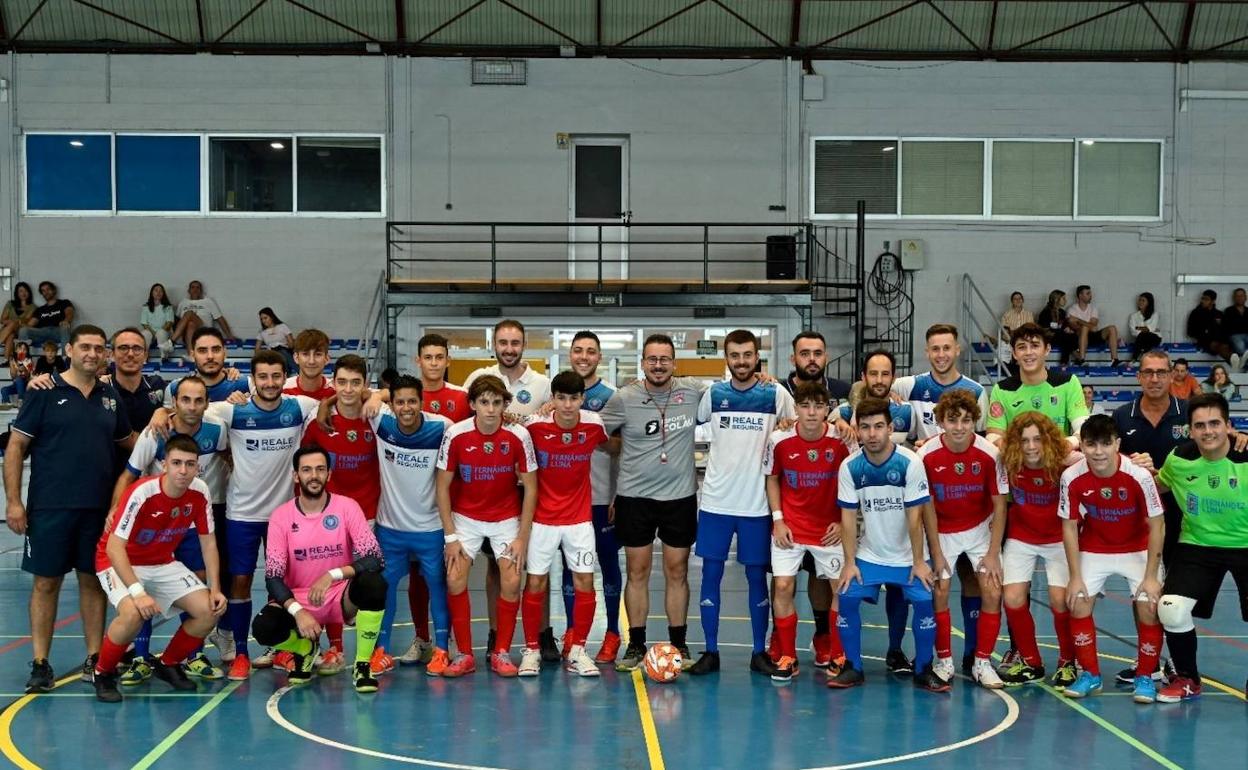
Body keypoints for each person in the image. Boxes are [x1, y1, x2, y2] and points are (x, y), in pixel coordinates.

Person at [4, 324, 135, 693]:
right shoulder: (44, 391)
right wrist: (14, 501)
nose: (92, 354)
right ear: (70, 350)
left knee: (93, 583)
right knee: (46, 583)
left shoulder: (109, 396)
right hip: (50, 507)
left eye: (98, 348)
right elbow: (15, 448)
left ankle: (94, 659)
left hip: (97, 509)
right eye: (85, 347)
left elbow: (129, 442)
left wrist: (171, 437)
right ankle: (41, 663)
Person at [195, 350, 319, 679]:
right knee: (241, 581)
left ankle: (286, 647)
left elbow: (343, 397)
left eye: (276, 376)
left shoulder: (299, 407)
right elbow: (185, 408)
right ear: (253, 380)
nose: (269, 383)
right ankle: (240, 652)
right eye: (262, 377)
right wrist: (159, 416)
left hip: (284, 517)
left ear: (285, 378)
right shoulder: (231, 410)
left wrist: (375, 395)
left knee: (288, 584)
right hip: (242, 515)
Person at [688, 330, 795, 677]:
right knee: (711, 576)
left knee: (756, 580)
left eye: (747, 355)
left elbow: (796, 428)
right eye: (735, 356)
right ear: (726, 358)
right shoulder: (713, 395)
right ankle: (710, 651)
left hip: (757, 505)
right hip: (716, 502)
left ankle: (758, 651)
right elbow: (688, 429)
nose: (742, 362)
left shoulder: (775, 393)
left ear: (757, 355)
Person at [110, 374, 229, 684]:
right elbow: (129, 474)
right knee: (145, 585)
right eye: (185, 399)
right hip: (158, 520)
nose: (191, 406)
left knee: (199, 586)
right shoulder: (156, 431)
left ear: (207, 403)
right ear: (174, 402)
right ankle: (141, 656)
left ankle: (193, 653)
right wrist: (115, 509)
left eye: (198, 400)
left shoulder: (217, 430)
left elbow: (232, 459)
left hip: (195, 519)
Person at [90, 435, 226, 702]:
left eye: (190, 464)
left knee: (210, 610)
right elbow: (114, 547)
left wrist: (216, 588)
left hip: (162, 561)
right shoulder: (142, 492)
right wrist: (137, 591)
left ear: (198, 466)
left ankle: (170, 664)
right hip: (118, 561)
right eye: (176, 463)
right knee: (132, 614)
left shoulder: (200, 491)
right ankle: (103, 673)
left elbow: (208, 543)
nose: (183, 471)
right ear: (164, 465)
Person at [600, 334, 705, 672]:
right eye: (652, 359)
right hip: (635, 497)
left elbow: (734, 387)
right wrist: (625, 452)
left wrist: (764, 376)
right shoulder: (624, 397)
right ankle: (636, 644)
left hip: (679, 497)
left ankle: (678, 641)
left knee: (677, 571)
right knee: (638, 571)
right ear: (642, 362)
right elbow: (598, 434)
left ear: (674, 362)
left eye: (664, 359)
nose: (658, 365)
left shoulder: (693, 392)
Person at [828, 397, 945, 692]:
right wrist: (850, 563)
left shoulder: (910, 463)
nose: (872, 434)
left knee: (923, 601)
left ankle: (923, 668)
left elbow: (916, 517)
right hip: (870, 554)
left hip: (908, 556)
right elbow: (847, 517)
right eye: (865, 427)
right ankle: (854, 666)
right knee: (847, 596)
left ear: (890, 427)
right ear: (858, 429)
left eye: (879, 426)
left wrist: (920, 562)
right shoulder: (850, 467)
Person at [251, 445, 387, 694]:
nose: (313, 475)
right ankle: (305, 649)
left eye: (320, 469)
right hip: (299, 598)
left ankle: (363, 665)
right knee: (263, 628)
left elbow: (375, 558)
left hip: (338, 595)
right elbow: (273, 576)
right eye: (307, 470)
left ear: (329, 474)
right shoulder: (281, 517)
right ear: (296, 476)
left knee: (374, 584)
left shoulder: (347, 507)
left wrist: (333, 574)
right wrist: (298, 611)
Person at [435, 374, 538, 677]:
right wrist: (450, 536)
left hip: (506, 518)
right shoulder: (456, 434)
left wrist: (522, 537)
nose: (491, 409)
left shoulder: (519, 435)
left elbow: (531, 488)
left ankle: (501, 652)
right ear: (472, 405)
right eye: (484, 402)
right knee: (454, 578)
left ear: (505, 404)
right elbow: (442, 486)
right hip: (465, 518)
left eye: (496, 402)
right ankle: (465, 654)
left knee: (511, 579)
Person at [1058, 415, 1165, 702]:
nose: (1098, 451)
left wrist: (1152, 577)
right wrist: (1075, 576)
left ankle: (1145, 676)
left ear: (1117, 444)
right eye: (1091, 444)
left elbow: (1157, 524)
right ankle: (1090, 674)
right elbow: (1069, 526)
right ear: (1081, 445)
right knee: (1078, 603)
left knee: (1149, 607)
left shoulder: (1139, 475)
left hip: (1137, 548)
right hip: (1095, 547)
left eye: (1106, 444)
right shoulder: (1071, 477)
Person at [1153, 393, 1248, 702]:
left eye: (1215, 423)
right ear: (1190, 430)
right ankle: (1187, 678)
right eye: (1200, 425)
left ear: (1229, 426)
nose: (1208, 431)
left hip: (1245, 544)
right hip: (1197, 544)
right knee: (1170, 608)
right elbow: (1161, 484)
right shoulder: (1179, 458)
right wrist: (1136, 468)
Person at [519, 371, 609, 677]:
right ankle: (531, 650)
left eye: (574, 398)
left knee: (585, 582)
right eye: (561, 398)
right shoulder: (535, 426)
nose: (568, 405)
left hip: (580, 521)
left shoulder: (594, 425)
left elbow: (612, 446)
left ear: (582, 399)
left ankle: (579, 650)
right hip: (542, 521)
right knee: (535, 584)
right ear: (552, 399)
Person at [917, 390, 1008, 690]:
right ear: (941, 421)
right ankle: (944, 661)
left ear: (975, 422)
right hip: (942, 531)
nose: (959, 427)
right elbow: (925, 506)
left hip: (980, 528)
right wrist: (936, 550)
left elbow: (999, 505)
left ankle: (982, 662)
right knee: (940, 589)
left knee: (993, 590)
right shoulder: (926, 454)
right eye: (952, 420)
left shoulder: (989, 454)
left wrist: (993, 553)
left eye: (966, 420)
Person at [834, 350, 918, 674]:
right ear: (863, 376)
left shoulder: (904, 411)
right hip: (857, 508)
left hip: (895, 505)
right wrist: (841, 420)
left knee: (898, 586)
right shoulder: (845, 409)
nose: (880, 380)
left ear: (893, 376)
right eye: (874, 373)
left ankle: (895, 650)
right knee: (846, 583)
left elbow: (923, 439)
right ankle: (840, 653)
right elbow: (828, 420)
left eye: (886, 374)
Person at [365, 375, 452, 676]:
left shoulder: (441, 428)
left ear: (422, 402)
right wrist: (376, 396)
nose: (406, 408)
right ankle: (380, 651)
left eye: (412, 401)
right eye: (399, 401)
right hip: (390, 528)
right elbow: (349, 393)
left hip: (430, 527)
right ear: (393, 402)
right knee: (385, 588)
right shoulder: (381, 422)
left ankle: (441, 650)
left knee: (437, 586)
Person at [763, 381, 851, 681]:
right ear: (796, 408)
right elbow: (772, 479)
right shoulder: (779, 439)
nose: (812, 413)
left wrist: (843, 521)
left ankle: (838, 652)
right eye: (805, 406)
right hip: (791, 527)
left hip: (829, 531)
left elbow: (853, 484)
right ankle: (788, 655)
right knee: (784, 586)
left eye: (818, 406)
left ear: (828, 408)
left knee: (839, 588)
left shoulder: (842, 439)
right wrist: (778, 519)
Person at [299, 354, 381, 673]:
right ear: (333, 383)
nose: (348, 389)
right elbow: (305, 466)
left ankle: (365, 651)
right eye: (342, 382)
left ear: (365, 385)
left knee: (364, 583)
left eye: (356, 383)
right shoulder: (318, 420)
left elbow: (390, 396)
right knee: (326, 581)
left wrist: (377, 396)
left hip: (368, 514)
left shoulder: (375, 415)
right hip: (327, 515)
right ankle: (332, 648)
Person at [997, 413, 1077, 687]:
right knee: (1013, 597)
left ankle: (1068, 661)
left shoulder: (1066, 463)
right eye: (1024, 440)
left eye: (1037, 439)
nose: (1031, 446)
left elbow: (1100, 458)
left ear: (1048, 440)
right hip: (1022, 536)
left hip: (1058, 537)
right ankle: (1031, 662)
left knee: (1059, 599)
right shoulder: (1008, 461)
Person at [558, 331, 623, 663]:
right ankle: (572, 631)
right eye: (578, 350)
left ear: (599, 357)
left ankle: (612, 632)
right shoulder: (557, 396)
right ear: (570, 354)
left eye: (591, 351)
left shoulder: (612, 397)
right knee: (570, 569)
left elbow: (622, 450)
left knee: (608, 565)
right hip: (567, 504)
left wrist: (618, 495)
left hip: (601, 500)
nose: (584, 356)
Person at [987, 323, 1090, 447]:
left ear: (1047, 349)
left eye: (1035, 346)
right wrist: (1026, 451)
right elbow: (993, 436)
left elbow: (1084, 428)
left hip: (1058, 460)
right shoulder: (1001, 389)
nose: (1028, 352)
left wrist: (1066, 445)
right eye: (1022, 347)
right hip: (1018, 463)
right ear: (1014, 353)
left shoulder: (1069, 383)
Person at [463, 319, 552, 420]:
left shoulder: (544, 384)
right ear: (494, 345)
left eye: (515, 343)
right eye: (503, 343)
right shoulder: (478, 377)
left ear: (524, 345)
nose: (509, 350)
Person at [162, 328, 251, 406]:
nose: (210, 356)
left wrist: (246, 409)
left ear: (225, 353)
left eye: (216, 350)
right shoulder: (174, 388)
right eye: (202, 351)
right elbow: (168, 419)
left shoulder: (245, 384)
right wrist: (161, 412)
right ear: (193, 356)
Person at [783, 331, 852, 404]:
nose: (812, 359)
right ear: (793, 360)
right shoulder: (778, 392)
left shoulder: (844, 391)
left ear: (826, 359)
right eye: (804, 354)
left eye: (818, 354)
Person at [172, 280, 236, 351]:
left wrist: (229, 335)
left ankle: (171, 342)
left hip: (203, 330)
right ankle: (191, 354)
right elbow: (177, 322)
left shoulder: (208, 301)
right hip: (187, 333)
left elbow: (220, 318)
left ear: (201, 290)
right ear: (189, 290)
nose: (195, 289)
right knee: (190, 324)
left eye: (197, 287)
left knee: (189, 313)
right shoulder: (183, 303)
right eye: (193, 287)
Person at [1067, 285, 1121, 368]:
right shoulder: (1072, 309)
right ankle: (1081, 360)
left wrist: (1078, 320)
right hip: (1079, 338)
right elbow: (1075, 328)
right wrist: (1087, 326)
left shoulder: (1093, 309)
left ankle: (1115, 360)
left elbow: (1093, 326)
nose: (1091, 296)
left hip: (1093, 336)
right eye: (1088, 294)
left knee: (1112, 328)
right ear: (1080, 295)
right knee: (1084, 328)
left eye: (1090, 293)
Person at [18, 281, 75, 349]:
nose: (46, 292)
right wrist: (20, 324)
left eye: (48, 289)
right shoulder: (40, 309)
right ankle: (22, 358)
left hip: (57, 331)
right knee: (23, 330)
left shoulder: (64, 302)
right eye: (43, 291)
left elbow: (69, 313)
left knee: (65, 327)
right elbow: (30, 325)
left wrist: (66, 320)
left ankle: (66, 358)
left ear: (54, 290)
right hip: (42, 333)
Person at [284, 328, 335, 400]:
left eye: (318, 354)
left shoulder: (336, 392)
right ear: (296, 358)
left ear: (327, 359)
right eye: (305, 354)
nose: (311, 361)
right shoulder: (282, 391)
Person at [1186, 289, 1233, 363]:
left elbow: (1225, 330)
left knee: (1225, 345)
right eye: (1202, 298)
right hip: (1204, 341)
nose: (1203, 301)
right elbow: (1190, 332)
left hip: (1219, 341)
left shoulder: (1219, 314)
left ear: (1213, 301)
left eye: (1206, 299)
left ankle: (1234, 362)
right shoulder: (1196, 313)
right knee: (1216, 345)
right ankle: (1234, 362)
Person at [1037, 290, 1078, 367]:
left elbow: (1064, 325)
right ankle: (1075, 357)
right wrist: (1061, 330)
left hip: (1060, 336)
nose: (1066, 300)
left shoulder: (1062, 312)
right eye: (1063, 298)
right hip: (1048, 337)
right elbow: (1045, 329)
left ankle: (1064, 362)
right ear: (1056, 299)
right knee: (1066, 337)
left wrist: (1067, 328)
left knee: (1072, 336)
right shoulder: (1046, 312)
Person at [1, 281, 36, 363]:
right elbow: (2, 320)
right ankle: (6, 360)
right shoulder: (10, 304)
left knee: (14, 324)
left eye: (25, 291)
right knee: (11, 335)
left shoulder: (33, 307)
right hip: (8, 331)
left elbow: (26, 320)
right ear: (17, 293)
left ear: (29, 292)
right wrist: (13, 323)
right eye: (21, 291)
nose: (23, 293)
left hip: (20, 331)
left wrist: (14, 322)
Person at [140, 283, 175, 361]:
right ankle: (144, 356)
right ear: (152, 293)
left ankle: (164, 357)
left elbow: (169, 323)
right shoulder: (146, 307)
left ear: (163, 294)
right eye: (156, 290)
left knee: (161, 333)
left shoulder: (168, 307)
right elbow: (144, 323)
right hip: (151, 332)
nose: (158, 293)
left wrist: (158, 333)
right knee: (145, 333)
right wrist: (153, 333)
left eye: (160, 291)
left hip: (164, 331)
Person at [255, 307, 295, 374]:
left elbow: (291, 344)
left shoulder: (282, 327)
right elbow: (257, 349)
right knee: (280, 355)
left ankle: (287, 374)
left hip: (284, 350)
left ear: (272, 317)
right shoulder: (262, 332)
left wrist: (285, 345)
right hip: (271, 352)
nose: (263, 321)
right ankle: (294, 373)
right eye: (261, 319)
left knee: (282, 353)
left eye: (265, 318)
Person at [1127, 292, 1162, 367]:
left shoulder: (1155, 314)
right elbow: (1133, 331)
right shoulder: (1133, 316)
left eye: (1143, 300)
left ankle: (1134, 359)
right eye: (1139, 300)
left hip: (1154, 338)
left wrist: (1138, 328)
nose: (1140, 302)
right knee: (1142, 335)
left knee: (1143, 335)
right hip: (1141, 339)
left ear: (1149, 302)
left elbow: (1151, 328)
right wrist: (1145, 330)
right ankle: (1142, 358)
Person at [3, 341, 34, 406]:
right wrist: (12, 365)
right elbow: (13, 376)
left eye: (24, 349)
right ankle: (7, 404)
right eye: (20, 348)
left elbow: (29, 375)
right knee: (4, 390)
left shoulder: (28, 360)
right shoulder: (13, 360)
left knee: (19, 379)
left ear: (27, 352)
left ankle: (21, 400)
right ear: (16, 350)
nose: (22, 351)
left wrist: (25, 369)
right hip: (17, 385)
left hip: (26, 385)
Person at [1226, 287, 1248, 372]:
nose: (1240, 298)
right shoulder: (1229, 311)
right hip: (1235, 335)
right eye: (1237, 296)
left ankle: (1244, 365)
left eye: (1242, 295)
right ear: (1234, 298)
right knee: (1241, 346)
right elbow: (1226, 328)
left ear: (1245, 297)